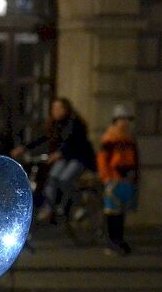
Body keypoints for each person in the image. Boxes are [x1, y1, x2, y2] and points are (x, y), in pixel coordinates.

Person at [13, 97, 96, 223]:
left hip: (78, 157)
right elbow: (41, 138)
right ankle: (50, 208)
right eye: (53, 109)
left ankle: (78, 205)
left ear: (66, 109)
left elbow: (72, 141)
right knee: (52, 178)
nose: (55, 111)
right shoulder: (53, 124)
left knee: (65, 179)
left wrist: (59, 153)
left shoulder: (75, 123)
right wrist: (24, 148)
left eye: (59, 108)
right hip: (64, 158)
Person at [97, 104, 139, 256]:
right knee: (112, 214)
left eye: (127, 120)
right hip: (113, 180)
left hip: (124, 180)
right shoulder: (110, 138)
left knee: (120, 213)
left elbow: (133, 159)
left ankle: (119, 240)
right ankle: (112, 241)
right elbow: (103, 159)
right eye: (123, 119)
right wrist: (106, 178)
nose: (126, 122)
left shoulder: (128, 137)